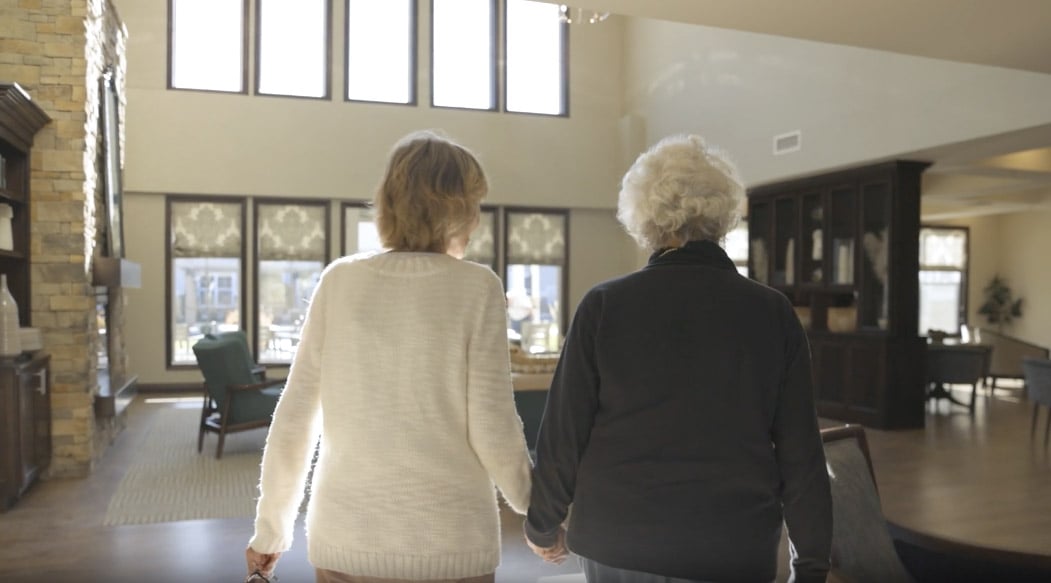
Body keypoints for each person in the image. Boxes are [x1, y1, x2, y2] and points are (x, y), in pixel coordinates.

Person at [524, 134, 833, 583]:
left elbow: (564, 432)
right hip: (733, 543)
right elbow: (801, 451)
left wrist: (542, 524)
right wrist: (813, 564)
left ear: (644, 217)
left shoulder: (605, 305)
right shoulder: (772, 312)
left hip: (620, 540)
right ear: (722, 215)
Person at [246, 130, 533, 583]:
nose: (477, 218)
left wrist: (271, 532)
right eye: (474, 204)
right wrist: (538, 510)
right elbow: (494, 426)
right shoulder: (478, 288)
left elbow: (295, 419)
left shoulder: (339, 281)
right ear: (457, 211)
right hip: (452, 545)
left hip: (346, 541)